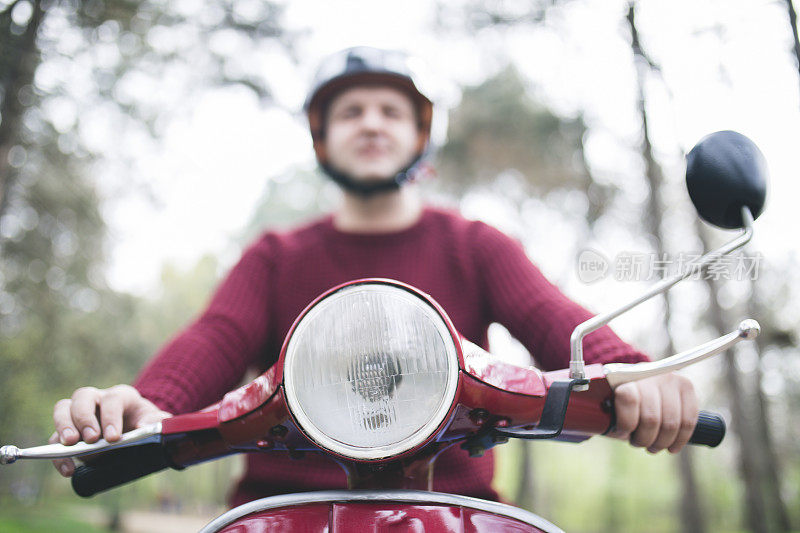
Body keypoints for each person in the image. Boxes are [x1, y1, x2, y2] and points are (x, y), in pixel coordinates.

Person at [51, 46, 698, 506]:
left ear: (420, 137)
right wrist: (144, 403)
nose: (370, 122)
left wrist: (631, 371)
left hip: (454, 511)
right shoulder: (276, 254)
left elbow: (556, 320)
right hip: (280, 513)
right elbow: (216, 338)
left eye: (390, 110)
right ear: (322, 138)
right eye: (350, 110)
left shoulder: (475, 244)